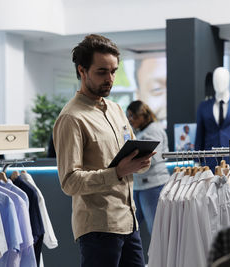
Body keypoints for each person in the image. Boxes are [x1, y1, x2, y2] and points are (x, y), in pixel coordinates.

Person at [53, 34, 155, 267]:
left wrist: (141, 160)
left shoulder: (117, 109)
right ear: (82, 70)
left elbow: (127, 155)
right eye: (102, 72)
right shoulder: (71, 118)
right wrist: (117, 172)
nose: (110, 79)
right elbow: (69, 182)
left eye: (113, 71)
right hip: (98, 229)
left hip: (129, 222)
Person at [126, 100, 170, 234]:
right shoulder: (140, 132)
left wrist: (131, 162)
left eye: (133, 116)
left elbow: (154, 158)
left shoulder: (153, 130)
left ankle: (160, 256)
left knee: (157, 232)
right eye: (128, 116)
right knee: (131, 228)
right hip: (140, 187)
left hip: (153, 186)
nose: (130, 119)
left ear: (143, 115)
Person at [195, 67, 230, 170]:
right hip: (210, 161)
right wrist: (197, 162)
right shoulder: (203, 107)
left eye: (222, 79)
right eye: (216, 80)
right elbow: (199, 137)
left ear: (228, 81)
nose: (219, 83)